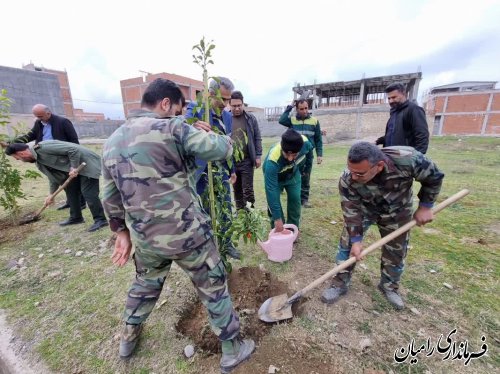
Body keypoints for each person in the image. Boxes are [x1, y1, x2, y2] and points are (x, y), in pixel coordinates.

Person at [101, 78, 254, 372]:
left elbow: (107, 195)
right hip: (188, 235)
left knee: (145, 284)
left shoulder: (111, 142)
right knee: (213, 284)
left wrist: (121, 232)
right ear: (165, 104)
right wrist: (209, 133)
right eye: (178, 110)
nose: (178, 116)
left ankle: (129, 336)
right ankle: (232, 348)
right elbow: (220, 150)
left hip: (146, 239)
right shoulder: (172, 127)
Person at [321, 142, 444, 310]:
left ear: (378, 166)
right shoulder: (348, 179)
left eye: (360, 173)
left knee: (396, 251)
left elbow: (434, 177)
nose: (354, 177)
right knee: (348, 244)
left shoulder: (408, 160)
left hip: (398, 210)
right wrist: (356, 241)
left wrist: (425, 206)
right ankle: (339, 284)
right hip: (365, 209)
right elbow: (351, 211)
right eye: (351, 171)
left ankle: (389, 287)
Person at [185, 76, 241, 259]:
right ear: (210, 93)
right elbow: (180, 130)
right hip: (201, 172)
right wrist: (192, 125)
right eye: (223, 99)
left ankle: (227, 243)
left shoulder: (227, 115)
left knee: (225, 206)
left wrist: (231, 169)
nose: (226, 104)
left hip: (221, 171)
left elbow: (228, 144)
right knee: (205, 211)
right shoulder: (196, 108)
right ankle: (209, 248)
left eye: (228, 99)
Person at [5, 141, 108, 232]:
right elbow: (53, 178)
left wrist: (73, 167)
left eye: (16, 158)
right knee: (70, 190)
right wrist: (51, 195)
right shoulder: (39, 162)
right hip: (75, 170)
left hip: (87, 163)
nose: (18, 160)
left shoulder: (44, 147)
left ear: (21, 153)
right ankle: (76, 217)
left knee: (88, 193)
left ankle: (100, 220)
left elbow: (73, 150)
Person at [10, 104, 85, 210]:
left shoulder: (63, 122)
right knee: (59, 178)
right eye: (36, 116)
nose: (38, 118)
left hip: (62, 154)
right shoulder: (39, 123)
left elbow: (74, 141)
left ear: (48, 113)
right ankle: (71, 202)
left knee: (70, 179)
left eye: (40, 116)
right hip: (46, 155)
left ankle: (80, 202)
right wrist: (12, 143)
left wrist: (73, 159)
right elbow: (30, 136)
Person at [263, 128, 313, 232]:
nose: (290, 159)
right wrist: (277, 219)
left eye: (294, 155)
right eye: (287, 154)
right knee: (273, 200)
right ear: (282, 149)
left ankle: (293, 229)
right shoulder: (272, 161)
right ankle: (277, 228)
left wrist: (306, 171)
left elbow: (309, 156)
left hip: (293, 174)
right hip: (275, 178)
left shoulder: (305, 143)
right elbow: (271, 191)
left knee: (295, 199)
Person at [279, 98, 323, 208]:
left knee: (306, 176)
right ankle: (287, 191)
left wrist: (319, 154)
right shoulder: (292, 121)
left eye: (306, 108)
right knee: (291, 173)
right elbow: (282, 120)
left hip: (308, 154)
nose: (304, 111)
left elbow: (318, 139)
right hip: (294, 154)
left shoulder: (314, 121)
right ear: (297, 109)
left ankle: (304, 200)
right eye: (301, 109)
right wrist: (290, 106)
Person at [229, 90, 262, 210]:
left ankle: (250, 216)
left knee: (247, 191)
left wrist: (258, 155)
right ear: (230, 105)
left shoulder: (250, 118)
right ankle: (240, 215)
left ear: (243, 104)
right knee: (236, 190)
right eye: (234, 106)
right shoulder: (226, 118)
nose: (237, 108)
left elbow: (257, 137)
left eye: (239, 105)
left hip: (247, 160)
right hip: (231, 162)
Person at [375, 83, 430, 154]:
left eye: (394, 97)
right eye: (389, 98)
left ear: (404, 94)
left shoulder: (414, 110)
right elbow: (393, 134)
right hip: (391, 155)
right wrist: (377, 141)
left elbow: (422, 136)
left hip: (404, 157)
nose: (390, 101)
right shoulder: (394, 112)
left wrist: (416, 158)